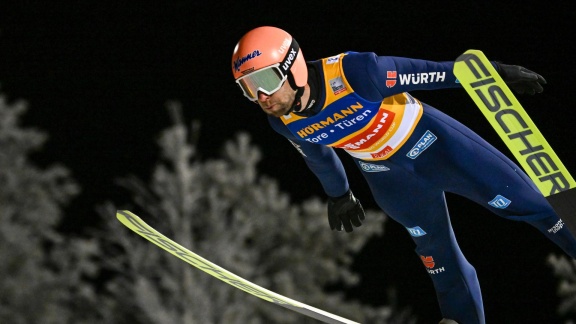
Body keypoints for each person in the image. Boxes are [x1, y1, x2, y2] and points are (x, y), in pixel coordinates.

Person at [231, 26, 576, 324]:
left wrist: (496, 73)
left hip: (438, 147)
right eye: (247, 87)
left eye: (266, 80)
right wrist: (339, 194)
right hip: (389, 178)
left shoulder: (355, 72)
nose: (261, 96)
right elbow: (319, 157)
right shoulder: (284, 122)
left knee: (535, 206)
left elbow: (437, 73)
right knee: (437, 257)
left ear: (294, 68)